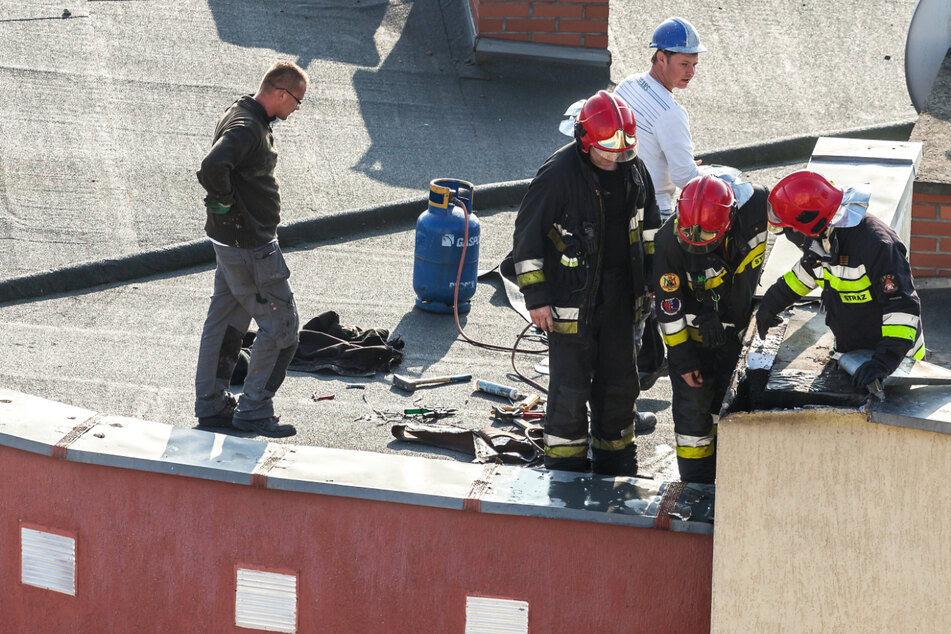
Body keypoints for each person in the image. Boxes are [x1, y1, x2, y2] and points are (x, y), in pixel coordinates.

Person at [513, 90, 660, 475]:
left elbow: (650, 231)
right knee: (570, 389)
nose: (614, 158)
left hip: (621, 298)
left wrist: (652, 280)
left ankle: (617, 461)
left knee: (619, 385)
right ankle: (565, 467)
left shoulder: (635, 170)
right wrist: (536, 297)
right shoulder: (558, 174)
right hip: (570, 300)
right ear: (584, 141)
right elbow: (526, 238)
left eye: (622, 149)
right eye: (606, 150)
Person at [193, 61, 309, 438]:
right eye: (297, 100)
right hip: (250, 248)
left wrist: (226, 210)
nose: (297, 108)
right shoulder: (247, 128)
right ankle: (254, 409)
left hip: (230, 244)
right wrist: (224, 201)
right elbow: (212, 166)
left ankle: (212, 405)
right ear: (280, 93)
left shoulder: (241, 112)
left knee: (225, 323)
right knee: (282, 330)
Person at [756, 170, 925, 391]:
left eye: (791, 228)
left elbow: (902, 308)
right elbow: (806, 274)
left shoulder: (877, 246)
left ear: (809, 223)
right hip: (853, 355)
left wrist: (883, 362)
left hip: (898, 363)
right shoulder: (824, 237)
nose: (790, 233)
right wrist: (770, 305)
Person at [653, 171, 769, 483]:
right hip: (693, 343)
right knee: (694, 420)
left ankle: (730, 484)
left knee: (731, 412)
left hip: (740, 334)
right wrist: (685, 360)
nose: (697, 244)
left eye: (707, 239)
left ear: (730, 219)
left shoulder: (758, 204)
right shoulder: (668, 242)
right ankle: (696, 487)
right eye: (690, 236)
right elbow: (668, 312)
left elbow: (797, 228)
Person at [614, 16, 706, 222]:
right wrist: (715, 178)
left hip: (617, 200)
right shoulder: (671, 112)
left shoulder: (628, 84)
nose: (691, 72)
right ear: (661, 58)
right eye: (684, 64)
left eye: (694, 65)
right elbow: (686, 178)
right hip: (653, 212)